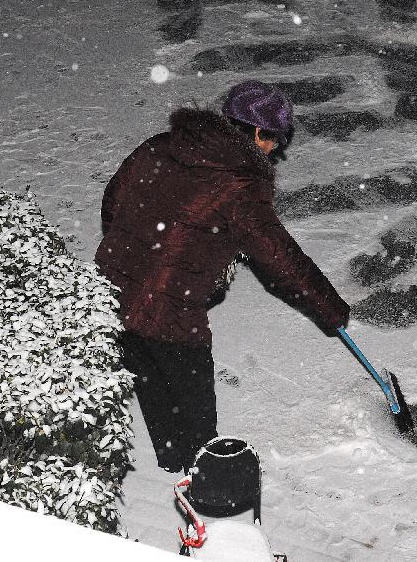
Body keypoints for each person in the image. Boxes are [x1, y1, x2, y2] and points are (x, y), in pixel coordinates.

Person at [95, 80, 350, 472]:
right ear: (256, 132)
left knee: (152, 378)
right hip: (170, 306)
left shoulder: (160, 146)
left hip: (112, 289)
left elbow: (114, 201)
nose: (274, 150)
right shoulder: (239, 185)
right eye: (274, 140)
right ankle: (204, 478)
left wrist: (138, 254)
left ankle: (172, 460)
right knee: (193, 406)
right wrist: (329, 308)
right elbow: (280, 258)